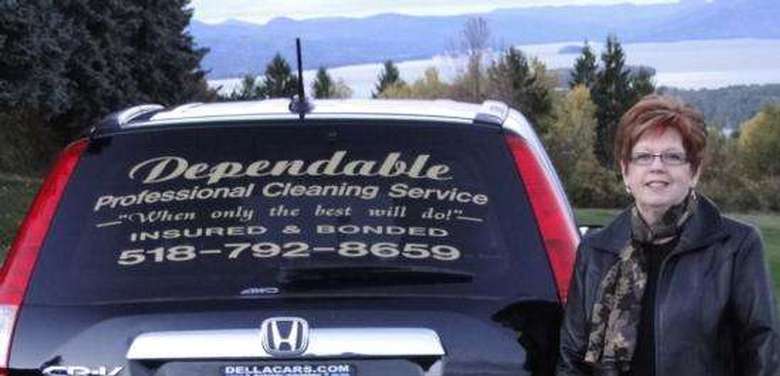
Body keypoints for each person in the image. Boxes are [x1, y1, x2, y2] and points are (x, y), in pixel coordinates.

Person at [556, 94, 779, 375]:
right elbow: (571, 358)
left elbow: (762, 355)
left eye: (672, 156)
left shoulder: (736, 247)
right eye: (643, 156)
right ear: (626, 172)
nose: (657, 166)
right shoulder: (596, 251)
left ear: (693, 171)